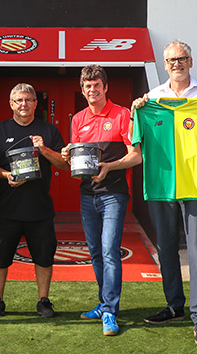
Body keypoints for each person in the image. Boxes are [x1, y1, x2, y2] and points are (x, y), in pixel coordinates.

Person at [132, 41, 197, 346]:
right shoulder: (152, 98)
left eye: (181, 58)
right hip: (162, 178)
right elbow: (134, 141)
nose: (176, 63)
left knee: (196, 246)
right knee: (165, 245)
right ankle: (174, 305)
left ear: (191, 61)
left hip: (194, 177)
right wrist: (135, 112)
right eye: (170, 59)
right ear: (164, 65)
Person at [61, 65, 142, 336]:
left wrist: (110, 166)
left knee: (109, 251)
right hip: (87, 195)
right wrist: (67, 156)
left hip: (114, 196)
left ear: (106, 88)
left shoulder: (122, 115)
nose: (92, 90)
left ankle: (110, 311)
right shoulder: (78, 119)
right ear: (82, 90)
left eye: (96, 85)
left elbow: (136, 155)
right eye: (87, 87)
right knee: (95, 253)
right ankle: (104, 302)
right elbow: (76, 158)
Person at [0, 83, 68, 318]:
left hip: (39, 208)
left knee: (44, 256)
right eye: (19, 100)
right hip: (6, 207)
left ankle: (43, 301)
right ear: (11, 104)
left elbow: (64, 163)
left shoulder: (49, 130)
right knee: (0, 257)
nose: (24, 104)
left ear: (36, 103)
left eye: (29, 100)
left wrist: (44, 149)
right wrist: (5, 175)